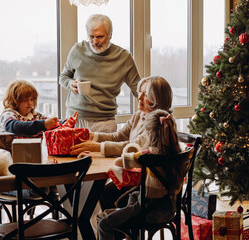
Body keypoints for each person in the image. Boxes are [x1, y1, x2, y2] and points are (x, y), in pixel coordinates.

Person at [69, 76, 174, 211]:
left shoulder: (158, 123)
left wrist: (98, 147)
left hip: (147, 184)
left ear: (157, 99)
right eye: (140, 92)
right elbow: (119, 136)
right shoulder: (139, 115)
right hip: (136, 176)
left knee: (104, 193)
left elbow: (134, 147)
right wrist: (93, 136)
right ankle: (119, 229)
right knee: (102, 192)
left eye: (145, 94)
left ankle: (121, 229)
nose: (139, 97)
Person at [97, 109, 183, 240]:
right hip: (170, 208)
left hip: (149, 211)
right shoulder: (179, 153)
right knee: (133, 195)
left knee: (104, 223)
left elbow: (120, 161)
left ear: (149, 133)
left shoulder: (147, 155)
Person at [59, 14, 141, 133]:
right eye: (91, 37)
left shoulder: (123, 57)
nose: (95, 42)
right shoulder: (77, 50)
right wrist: (71, 84)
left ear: (110, 35)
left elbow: (138, 89)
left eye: (100, 37)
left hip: (105, 122)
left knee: (104, 152)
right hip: (75, 118)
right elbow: (63, 77)